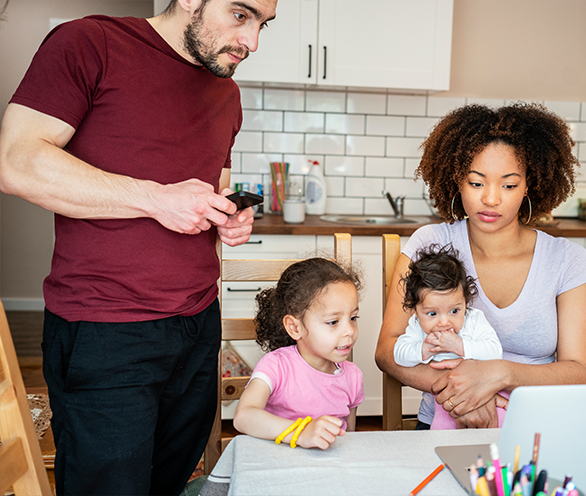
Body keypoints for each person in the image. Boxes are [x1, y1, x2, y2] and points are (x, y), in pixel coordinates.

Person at [0, 0, 277, 493]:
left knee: (166, 483)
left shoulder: (226, 92)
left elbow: (212, 188)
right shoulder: (89, 44)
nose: (252, 42)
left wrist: (227, 217)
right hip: (106, 330)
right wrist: (155, 199)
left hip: (197, 327)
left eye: (263, 25)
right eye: (241, 15)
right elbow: (17, 162)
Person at [375, 102, 586, 429]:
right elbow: (386, 351)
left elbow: (579, 373)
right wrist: (466, 396)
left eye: (508, 185)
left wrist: (498, 375)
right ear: (457, 182)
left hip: (537, 428)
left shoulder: (568, 260)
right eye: (476, 183)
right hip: (446, 420)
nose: (491, 199)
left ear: (529, 185)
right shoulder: (429, 243)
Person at [232, 258, 365, 450]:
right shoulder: (276, 366)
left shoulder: (353, 377)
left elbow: (349, 439)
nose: (349, 331)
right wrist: (301, 433)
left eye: (353, 318)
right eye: (333, 322)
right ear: (294, 327)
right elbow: (244, 417)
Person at [393, 244, 505, 429]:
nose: (444, 322)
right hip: (438, 409)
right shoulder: (416, 325)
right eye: (432, 314)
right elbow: (399, 354)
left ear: (465, 302)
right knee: (437, 447)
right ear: (416, 310)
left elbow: (495, 352)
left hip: (480, 399)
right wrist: (424, 349)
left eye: (454, 310)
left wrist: (460, 346)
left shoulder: (473, 319)